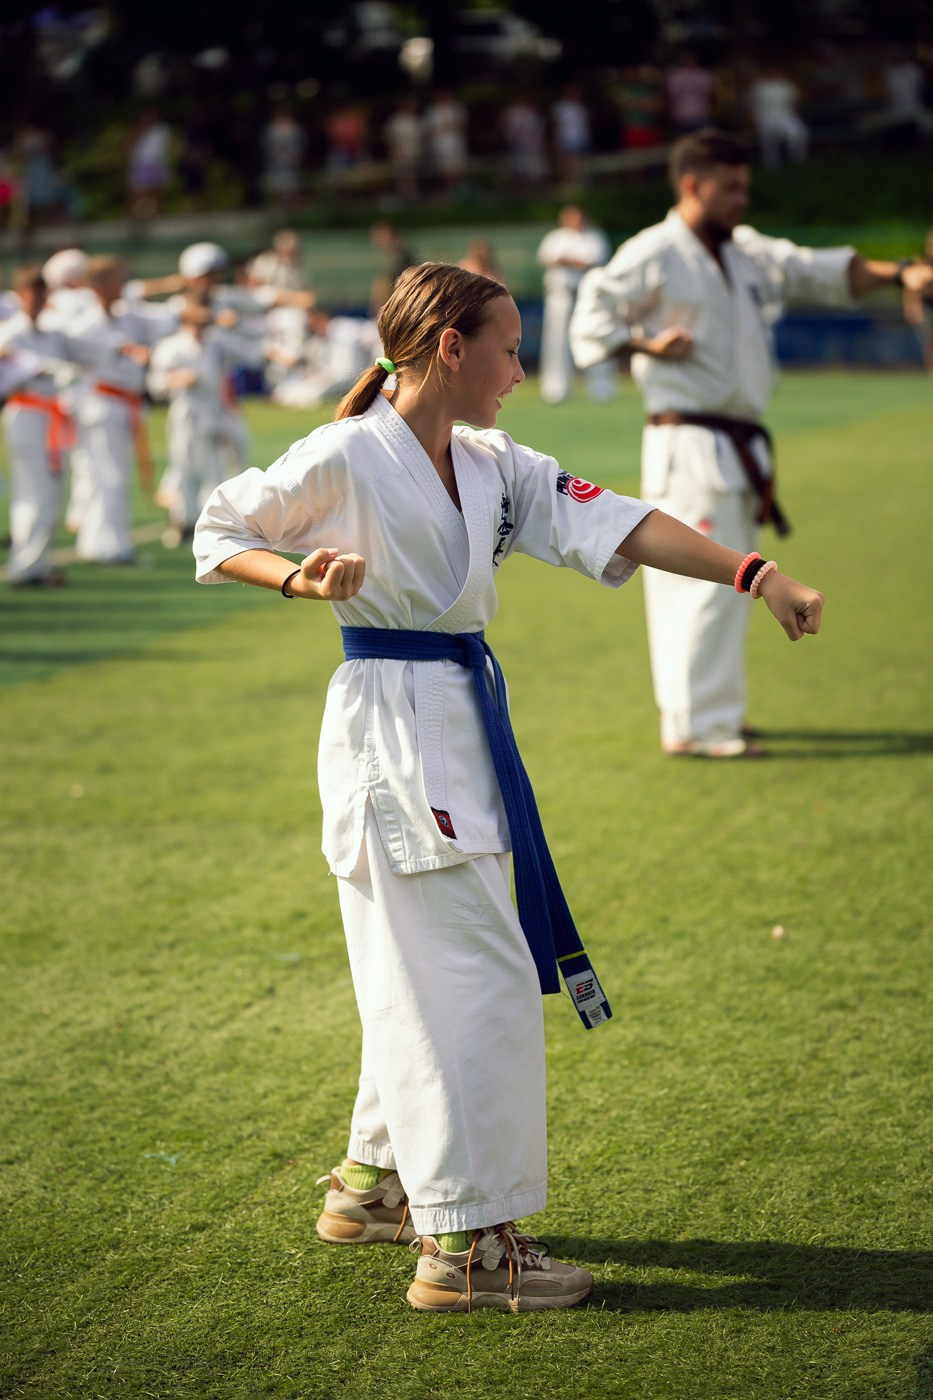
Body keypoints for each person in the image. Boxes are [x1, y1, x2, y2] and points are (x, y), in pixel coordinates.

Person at [193, 261, 825, 1312]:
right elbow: (222, 526)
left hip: (456, 717)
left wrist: (754, 574)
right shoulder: (349, 451)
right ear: (451, 345)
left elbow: (614, 520)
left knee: (432, 964)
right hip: (394, 721)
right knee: (473, 976)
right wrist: (301, 575)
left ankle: (373, 1179)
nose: (520, 370)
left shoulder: (487, 460)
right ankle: (469, 1248)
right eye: (508, 346)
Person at [570, 128, 933, 758]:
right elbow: (590, 318)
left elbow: (818, 270)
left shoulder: (744, 252)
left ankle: (713, 715)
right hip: (688, 440)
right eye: (729, 187)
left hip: (736, 444)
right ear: (691, 185)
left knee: (736, 583)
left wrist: (899, 271)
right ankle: (696, 726)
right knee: (697, 585)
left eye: (745, 185)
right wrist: (644, 345)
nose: (742, 198)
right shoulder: (653, 251)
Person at [0, 265, 110, 586]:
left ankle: (38, 563)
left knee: (51, 491)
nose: (35, 301)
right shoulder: (10, 333)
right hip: (27, 414)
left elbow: (85, 352)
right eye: (30, 295)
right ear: (20, 297)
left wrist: (116, 349)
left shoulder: (51, 334)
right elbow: (15, 371)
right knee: (34, 492)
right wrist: (48, 370)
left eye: (41, 294)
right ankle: (26, 567)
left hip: (52, 418)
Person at [537, 206, 614, 406]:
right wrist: (570, 261)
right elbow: (546, 258)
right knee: (557, 342)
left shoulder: (594, 237)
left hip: (587, 296)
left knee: (594, 336)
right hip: (561, 294)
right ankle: (556, 389)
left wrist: (565, 260)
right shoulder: (556, 237)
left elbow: (591, 262)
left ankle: (601, 388)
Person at [747, 66, 809, 168]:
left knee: (800, 133)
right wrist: (752, 121)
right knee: (769, 136)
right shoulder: (758, 86)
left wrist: (797, 116)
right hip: (764, 116)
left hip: (786, 115)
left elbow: (795, 103)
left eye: (776, 70)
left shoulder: (787, 85)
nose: (773, 72)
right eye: (770, 70)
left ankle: (796, 162)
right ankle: (772, 165)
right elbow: (751, 106)